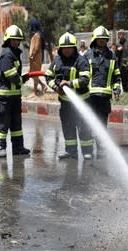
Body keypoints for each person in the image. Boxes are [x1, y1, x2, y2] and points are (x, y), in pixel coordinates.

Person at [45, 32, 93, 160]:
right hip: (65, 103)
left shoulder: (81, 60)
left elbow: (85, 79)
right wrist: (55, 87)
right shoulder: (57, 60)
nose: (66, 50)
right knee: (68, 127)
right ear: (60, 48)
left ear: (74, 48)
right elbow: (48, 76)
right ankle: (71, 151)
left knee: (84, 128)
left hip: (82, 101)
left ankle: (87, 151)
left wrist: (69, 84)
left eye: (69, 48)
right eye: (64, 48)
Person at [0, 25, 31, 158]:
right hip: (4, 97)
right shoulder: (6, 55)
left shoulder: (14, 53)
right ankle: (1, 147)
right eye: (13, 39)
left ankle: (18, 147)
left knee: (16, 123)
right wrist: (22, 79)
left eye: (18, 40)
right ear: (8, 40)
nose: (16, 42)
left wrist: (22, 78)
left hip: (14, 96)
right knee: (4, 123)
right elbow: (11, 75)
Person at [84, 26, 121, 157]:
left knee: (102, 122)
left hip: (105, 96)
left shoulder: (111, 56)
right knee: (89, 122)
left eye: (104, 39)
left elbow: (116, 75)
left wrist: (116, 89)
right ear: (95, 40)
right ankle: (88, 149)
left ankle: (100, 146)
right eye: (99, 39)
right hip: (90, 96)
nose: (102, 41)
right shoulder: (87, 55)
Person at [27, 18, 47, 97]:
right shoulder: (37, 34)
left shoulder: (38, 35)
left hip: (35, 58)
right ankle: (43, 86)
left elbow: (37, 47)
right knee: (32, 74)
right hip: (35, 57)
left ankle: (34, 92)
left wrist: (32, 56)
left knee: (34, 74)